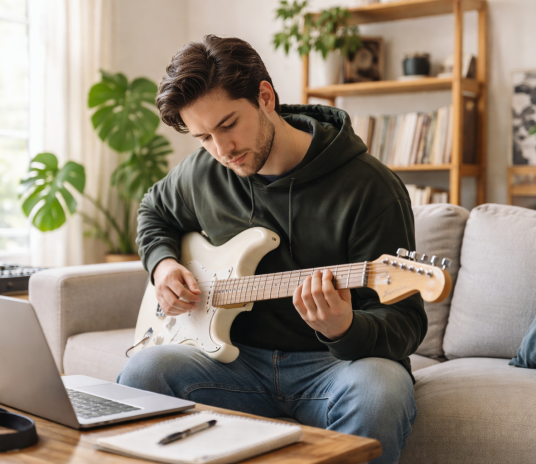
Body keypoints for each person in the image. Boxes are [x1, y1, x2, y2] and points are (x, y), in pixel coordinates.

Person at [118, 35, 426, 464]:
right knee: (142, 371)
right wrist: (163, 266)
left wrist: (344, 326)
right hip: (233, 363)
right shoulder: (203, 172)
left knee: (381, 390)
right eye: (203, 137)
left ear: (265, 96)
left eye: (228, 125)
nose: (221, 150)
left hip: (335, 368)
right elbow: (154, 210)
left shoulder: (370, 188)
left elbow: (407, 323)